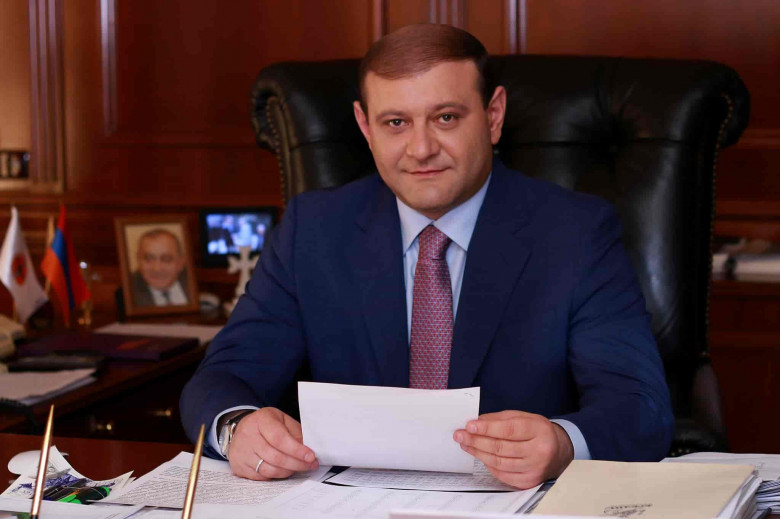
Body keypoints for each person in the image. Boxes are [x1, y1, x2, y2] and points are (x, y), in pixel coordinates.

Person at [180, 23, 674, 490]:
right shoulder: (313, 229)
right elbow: (223, 377)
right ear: (365, 126)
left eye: (446, 118)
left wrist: (562, 445)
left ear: (494, 116)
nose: (420, 149)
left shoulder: (576, 233)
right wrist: (237, 427)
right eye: (396, 122)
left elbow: (639, 407)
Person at [131, 228, 189, 307]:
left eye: (166, 259)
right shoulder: (128, 292)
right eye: (148, 259)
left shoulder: (194, 281)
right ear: (138, 259)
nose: (157, 269)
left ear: (181, 262)